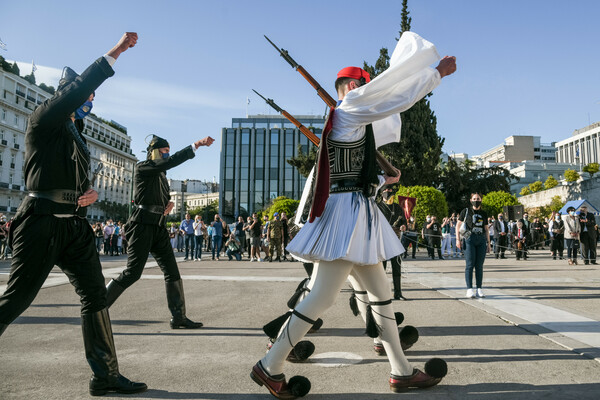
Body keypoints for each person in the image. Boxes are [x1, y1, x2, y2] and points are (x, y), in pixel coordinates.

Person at [251, 32, 456, 397]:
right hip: (347, 218)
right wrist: (435, 75)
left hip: (356, 213)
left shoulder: (352, 118)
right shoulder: (351, 108)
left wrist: (381, 180)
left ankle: (401, 371)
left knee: (381, 296)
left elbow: (353, 176)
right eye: (362, 84)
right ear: (349, 86)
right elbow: (398, 96)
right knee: (321, 297)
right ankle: (270, 366)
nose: (368, 89)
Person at [0, 32, 146, 395]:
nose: (89, 101)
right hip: (41, 221)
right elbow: (81, 87)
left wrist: (89, 192)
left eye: (92, 99)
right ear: (67, 94)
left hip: (75, 226)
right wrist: (115, 52)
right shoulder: (44, 119)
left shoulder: (75, 133)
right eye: (85, 96)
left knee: (95, 296)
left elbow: (80, 179)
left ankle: (105, 376)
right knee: (17, 298)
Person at [104, 134, 214, 330]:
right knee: (133, 272)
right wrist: (195, 145)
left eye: (168, 152)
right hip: (141, 225)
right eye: (164, 152)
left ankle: (179, 316)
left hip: (158, 225)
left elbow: (159, 196)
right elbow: (167, 164)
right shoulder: (144, 167)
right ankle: (96, 308)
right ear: (154, 152)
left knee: (172, 271)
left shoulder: (161, 176)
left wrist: (168, 205)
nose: (167, 155)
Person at [456, 193, 490, 298]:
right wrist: (458, 240)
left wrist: (488, 243)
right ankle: (469, 289)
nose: (476, 200)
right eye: (474, 199)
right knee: (470, 265)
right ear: (471, 200)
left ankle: (479, 288)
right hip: (469, 238)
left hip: (481, 239)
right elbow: (458, 225)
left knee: (479, 265)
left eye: (478, 199)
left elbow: (486, 229)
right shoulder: (466, 211)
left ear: (481, 200)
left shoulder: (484, 213)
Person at [377, 187, 407, 300]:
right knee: (381, 269)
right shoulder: (377, 207)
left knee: (396, 267)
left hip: (395, 240)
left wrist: (403, 226)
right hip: (382, 241)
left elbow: (404, 222)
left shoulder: (398, 207)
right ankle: (382, 294)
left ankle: (398, 293)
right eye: (386, 190)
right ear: (381, 192)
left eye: (390, 191)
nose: (388, 192)